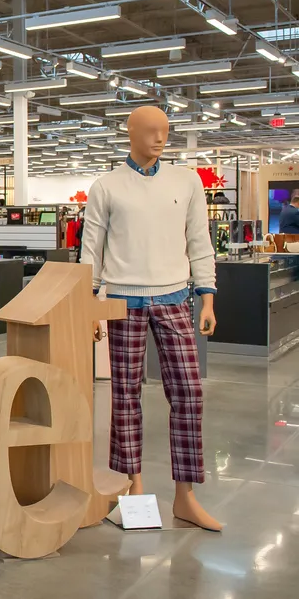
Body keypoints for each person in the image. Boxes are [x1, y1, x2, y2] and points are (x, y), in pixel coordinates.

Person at [82, 105, 221, 532]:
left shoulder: (186, 181)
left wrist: (208, 296)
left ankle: (185, 495)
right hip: (123, 300)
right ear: (130, 133)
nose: (159, 138)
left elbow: (199, 240)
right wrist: (90, 302)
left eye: (165, 131)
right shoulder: (106, 186)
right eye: (150, 131)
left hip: (177, 297)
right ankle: (134, 486)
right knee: (124, 398)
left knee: (189, 394)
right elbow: (91, 249)